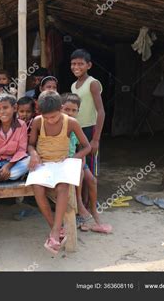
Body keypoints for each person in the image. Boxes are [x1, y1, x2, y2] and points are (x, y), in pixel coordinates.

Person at [27, 91, 91, 254]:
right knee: (37, 188)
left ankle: (55, 232)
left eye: (54, 117)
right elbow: (31, 144)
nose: (50, 120)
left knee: (63, 187)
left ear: (61, 108)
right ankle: (55, 228)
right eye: (46, 117)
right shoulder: (36, 121)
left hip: (63, 163)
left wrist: (73, 159)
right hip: (43, 164)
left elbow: (87, 147)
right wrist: (34, 154)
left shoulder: (71, 122)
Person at [61, 93, 111, 233]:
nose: (70, 113)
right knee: (80, 174)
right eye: (67, 109)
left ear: (78, 111)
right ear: (60, 109)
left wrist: (79, 160)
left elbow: (82, 148)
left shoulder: (76, 127)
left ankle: (93, 211)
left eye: (74, 110)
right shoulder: (58, 126)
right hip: (65, 162)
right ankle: (79, 208)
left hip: (76, 158)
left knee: (92, 180)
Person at [70, 49, 105, 180]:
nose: (76, 67)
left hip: (91, 128)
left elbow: (101, 111)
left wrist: (96, 139)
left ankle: (92, 199)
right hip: (77, 129)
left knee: (91, 165)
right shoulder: (74, 85)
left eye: (80, 64)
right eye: (73, 64)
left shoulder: (93, 83)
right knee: (81, 165)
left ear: (88, 65)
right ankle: (83, 198)